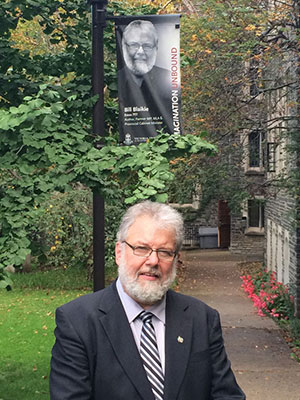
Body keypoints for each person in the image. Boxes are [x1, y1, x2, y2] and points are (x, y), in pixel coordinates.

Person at [50, 201, 246, 400]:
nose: (153, 261)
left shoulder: (202, 319)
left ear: (176, 258)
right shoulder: (78, 322)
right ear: (119, 253)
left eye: (164, 252)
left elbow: (227, 395)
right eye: (142, 248)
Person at [118, 20, 175, 142]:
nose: (140, 52)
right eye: (133, 45)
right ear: (123, 46)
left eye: (147, 46)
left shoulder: (168, 79)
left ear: (156, 48)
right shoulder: (116, 81)